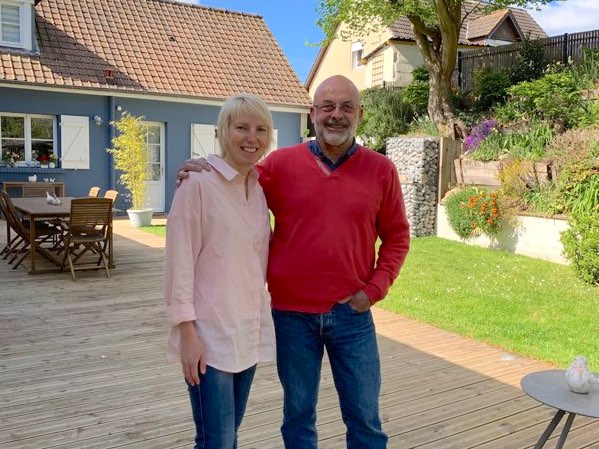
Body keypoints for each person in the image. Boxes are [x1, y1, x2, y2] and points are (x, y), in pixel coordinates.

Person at [177, 75, 410, 449]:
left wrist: (375, 289)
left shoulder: (381, 170)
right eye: (328, 107)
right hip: (290, 317)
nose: (336, 115)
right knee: (298, 417)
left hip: (353, 315)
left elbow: (397, 236)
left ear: (360, 115)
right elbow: (235, 177)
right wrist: (200, 167)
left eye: (346, 107)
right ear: (312, 113)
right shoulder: (278, 166)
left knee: (366, 419)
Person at [164, 93, 275, 449]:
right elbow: (178, 264)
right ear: (223, 131)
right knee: (220, 440)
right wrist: (187, 334)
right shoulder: (197, 184)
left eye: (260, 129)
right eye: (241, 127)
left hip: (247, 333)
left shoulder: (257, 190)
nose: (251, 137)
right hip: (207, 337)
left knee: (219, 437)